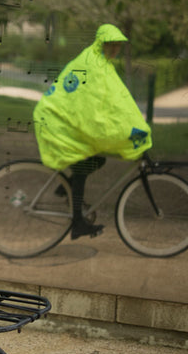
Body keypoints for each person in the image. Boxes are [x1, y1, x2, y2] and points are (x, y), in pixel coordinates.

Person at [33, 24, 152, 240]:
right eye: (111, 45)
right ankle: (77, 220)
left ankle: (67, 188)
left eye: (118, 46)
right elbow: (97, 106)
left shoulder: (101, 62)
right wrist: (132, 129)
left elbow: (117, 101)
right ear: (102, 44)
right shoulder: (94, 64)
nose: (115, 50)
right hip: (57, 119)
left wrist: (132, 126)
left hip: (63, 118)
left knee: (96, 160)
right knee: (84, 163)